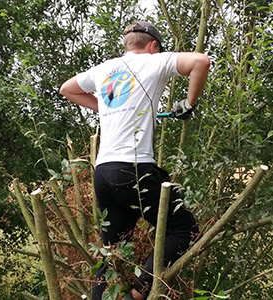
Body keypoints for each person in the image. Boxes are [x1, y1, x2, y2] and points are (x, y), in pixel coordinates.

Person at [60, 21, 210, 300]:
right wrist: (189, 104)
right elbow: (201, 61)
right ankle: (137, 295)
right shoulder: (155, 61)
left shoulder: (105, 69)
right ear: (153, 45)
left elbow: (67, 89)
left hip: (103, 172)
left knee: (112, 252)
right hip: (133, 169)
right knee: (184, 229)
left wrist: (105, 108)